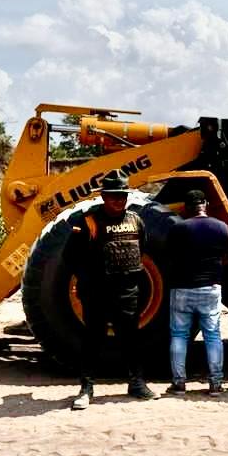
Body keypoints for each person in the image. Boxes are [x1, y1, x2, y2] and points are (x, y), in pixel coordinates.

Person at [66, 172, 157, 410]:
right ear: (104, 197)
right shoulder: (88, 222)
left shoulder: (136, 220)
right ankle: (86, 389)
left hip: (127, 293)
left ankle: (137, 384)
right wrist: (87, 279)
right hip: (96, 293)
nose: (119, 200)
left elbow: (142, 248)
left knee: (132, 340)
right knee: (92, 340)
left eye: (123, 196)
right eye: (114, 196)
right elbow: (70, 257)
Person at [166, 189, 228, 397]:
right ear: (205, 204)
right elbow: (227, 257)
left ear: (186, 208)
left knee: (179, 334)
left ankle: (179, 384)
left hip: (182, 288)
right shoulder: (221, 227)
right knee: (212, 335)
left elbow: (169, 257)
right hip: (211, 288)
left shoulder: (178, 228)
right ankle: (215, 384)